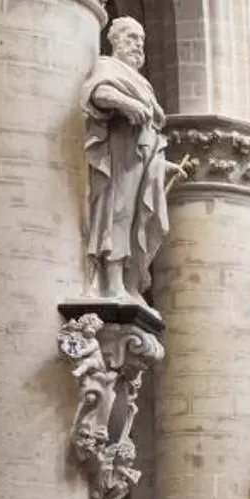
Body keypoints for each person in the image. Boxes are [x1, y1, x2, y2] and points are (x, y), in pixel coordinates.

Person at [81, 17, 170, 302]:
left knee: (136, 220)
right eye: (131, 37)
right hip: (118, 158)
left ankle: (128, 281)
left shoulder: (142, 82)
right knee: (117, 214)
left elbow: (151, 131)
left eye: (141, 40)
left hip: (141, 160)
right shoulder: (109, 66)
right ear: (114, 39)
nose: (138, 45)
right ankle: (113, 280)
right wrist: (127, 103)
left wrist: (164, 166)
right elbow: (98, 92)